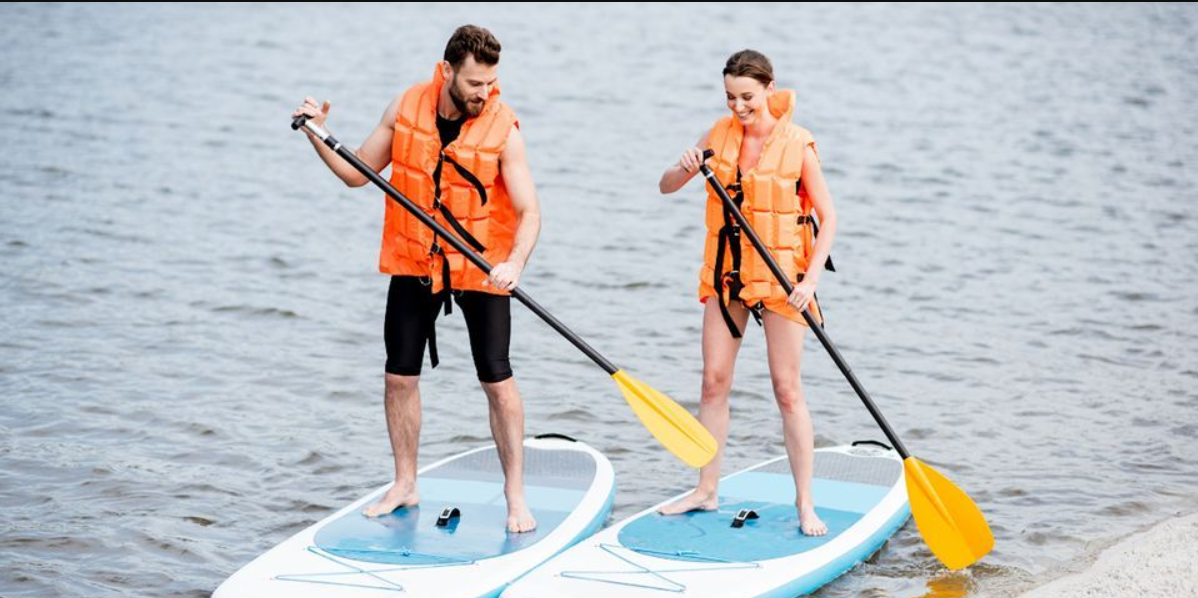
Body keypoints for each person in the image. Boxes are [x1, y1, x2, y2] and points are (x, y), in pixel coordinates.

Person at [292, 25, 541, 533]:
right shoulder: (405, 106)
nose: (484, 92)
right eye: (474, 82)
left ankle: (515, 495)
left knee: (497, 380)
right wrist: (316, 132)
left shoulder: (503, 126)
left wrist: (515, 262)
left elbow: (529, 209)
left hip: (482, 263)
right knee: (398, 376)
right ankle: (404, 483)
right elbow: (357, 172)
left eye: (490, 82)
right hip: (417, 260)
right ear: (447, 70)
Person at [656, 49, 838, 536]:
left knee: (787, 390)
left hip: (783, 281)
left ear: (770, 90)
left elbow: (831, 218)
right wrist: (685, 165)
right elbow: (666, 186)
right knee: (713, 383)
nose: (738, 107)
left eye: (748, 98)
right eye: (731, 97)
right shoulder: (717, 135)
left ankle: (805, 504)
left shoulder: (799, 144)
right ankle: (706, 489)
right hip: (729, 278)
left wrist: (810, 280)